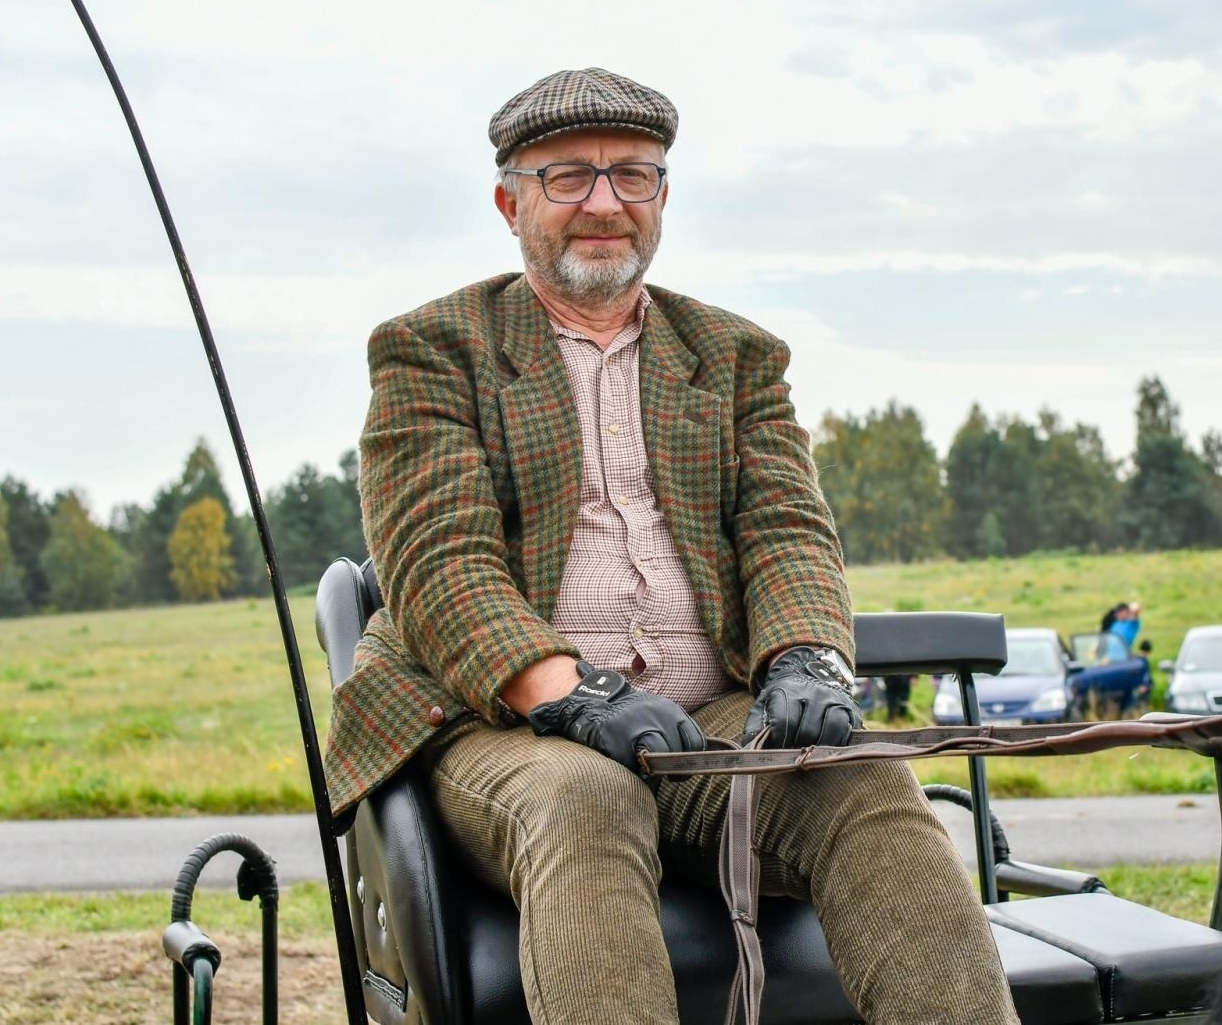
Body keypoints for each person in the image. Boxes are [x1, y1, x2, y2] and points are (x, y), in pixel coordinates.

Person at [321, 68, 1017, 1025]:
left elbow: (786, 528)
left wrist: (805, 657)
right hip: (499, 731)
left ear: (662, 196)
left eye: (633, 175)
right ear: (510, 204)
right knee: (584, 795)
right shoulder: (433, 349)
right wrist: (574, 694)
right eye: (569, 176)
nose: (605, 203)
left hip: (707, 724)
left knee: (864, 778)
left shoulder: (734, 355)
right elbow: (441, 565)